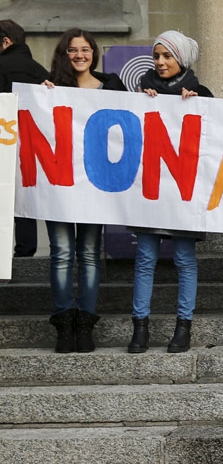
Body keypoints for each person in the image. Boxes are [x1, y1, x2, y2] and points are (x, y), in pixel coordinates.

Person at [126, 31, 212, 354]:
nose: (160, 62)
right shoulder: (141, 90)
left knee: (184, 259)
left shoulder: (201, 92)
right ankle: (140, 328)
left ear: (182, 59)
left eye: (167, 56)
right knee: (145, 258)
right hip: (151, 189)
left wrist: (199, 104)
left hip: (182, 191)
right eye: (156, 56)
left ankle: (183, 326)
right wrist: (139, 102)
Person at [42, 28, 127, 353]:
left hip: (95, 186)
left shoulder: (112, 86)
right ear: (64, 54)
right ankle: (64, 323)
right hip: (60, 186)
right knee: (62, 254)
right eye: (73, 50)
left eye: (85, 49)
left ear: (94, 53)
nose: (79, 55)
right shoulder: (51, 89)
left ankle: (86, 322)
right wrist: (42, 97)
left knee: (89, 254)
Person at [0, 19, 49, 257]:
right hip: (34, 147)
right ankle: (25, 251)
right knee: (25, 198)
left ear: (6, 42)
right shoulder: (41, 72)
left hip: (4, 142)